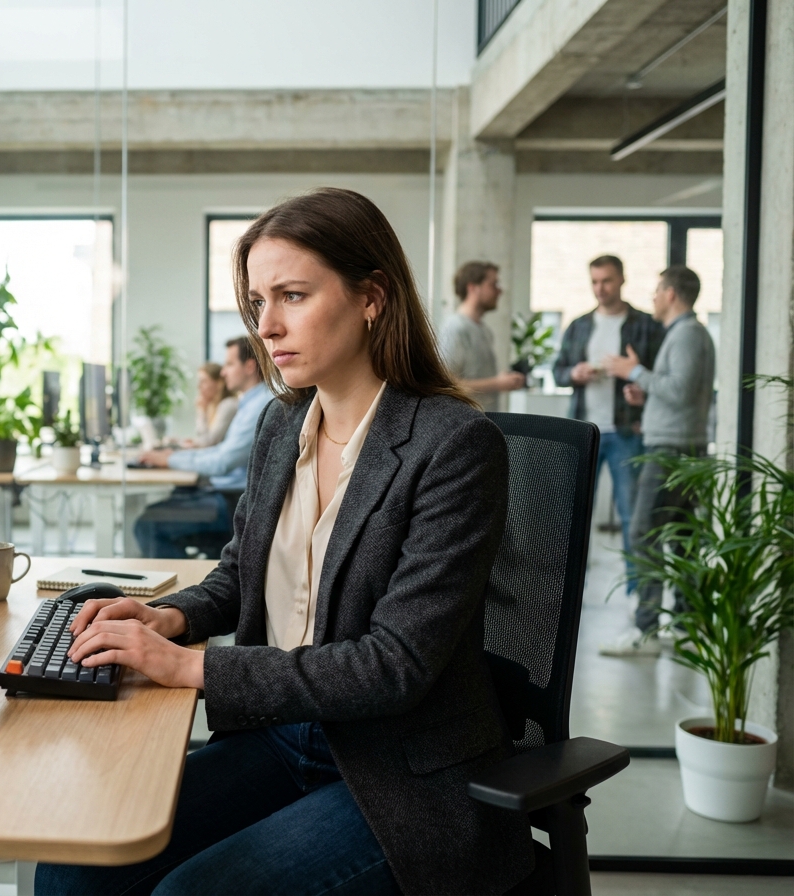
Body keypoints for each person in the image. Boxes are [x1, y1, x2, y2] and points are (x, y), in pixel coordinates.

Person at [37, 188, 534, 895]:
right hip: (284, 732)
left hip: (396, 768)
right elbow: (242, 571)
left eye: (292, 295)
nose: (266, 326)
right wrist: (171, 618)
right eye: (257, 301)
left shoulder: (454, 445)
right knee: (76, 863)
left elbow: (394, 665)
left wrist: (186, 669)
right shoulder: (281, 425)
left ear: (372, 297)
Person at [599, 265, 715, 657]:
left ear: (671, 294)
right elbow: (677, 393)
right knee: (680, 539)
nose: (652, 298)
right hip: (681, 446)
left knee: (643, 533)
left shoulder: (686, 334)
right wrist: (644, 394)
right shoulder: (686, 334)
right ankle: (684, 625)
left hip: (671, 451)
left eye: (656, 290)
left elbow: (680, 391)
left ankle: (645, 630)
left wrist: (635, 371)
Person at [553, 256, 665, 584]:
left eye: (607, 281)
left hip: (626, 432)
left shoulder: (645, 325)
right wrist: (574, 373)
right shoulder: (579, 325)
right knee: (574, 515)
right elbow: (558, 370)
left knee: (633, 516)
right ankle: (570, 586)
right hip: (584, 431)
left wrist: (638, 385)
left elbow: (660, 377)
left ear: (622, 280)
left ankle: (636, 593)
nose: (600, 289)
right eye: (595, 282)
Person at [132, 337, 271, 558]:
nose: (223, 373)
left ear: (250, 366)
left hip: (232, 502)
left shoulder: (260, 405)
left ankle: (186, 587)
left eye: (229, 364)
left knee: (147, 525)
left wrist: (169, 459)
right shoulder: (249, 403)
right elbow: (220, 451)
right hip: (227, 495)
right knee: (155, 512)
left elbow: (222, 462)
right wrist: (172, 455)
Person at [437, 261, 525, 411]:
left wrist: (501, 381)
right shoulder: (455, 328)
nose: (500, 291)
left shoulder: (484, 330)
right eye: (493, 284)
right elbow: (445, 383)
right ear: (472, 288)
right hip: (465, 424)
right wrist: (497, 383)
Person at [181, 361, 238, 448]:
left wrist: (201, 411)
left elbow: (208, 443)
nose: (199, 386)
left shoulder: (228, 405)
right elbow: (204, 438)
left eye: (203, 381)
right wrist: (192, 442)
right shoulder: (213, 406)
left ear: (220, 383)